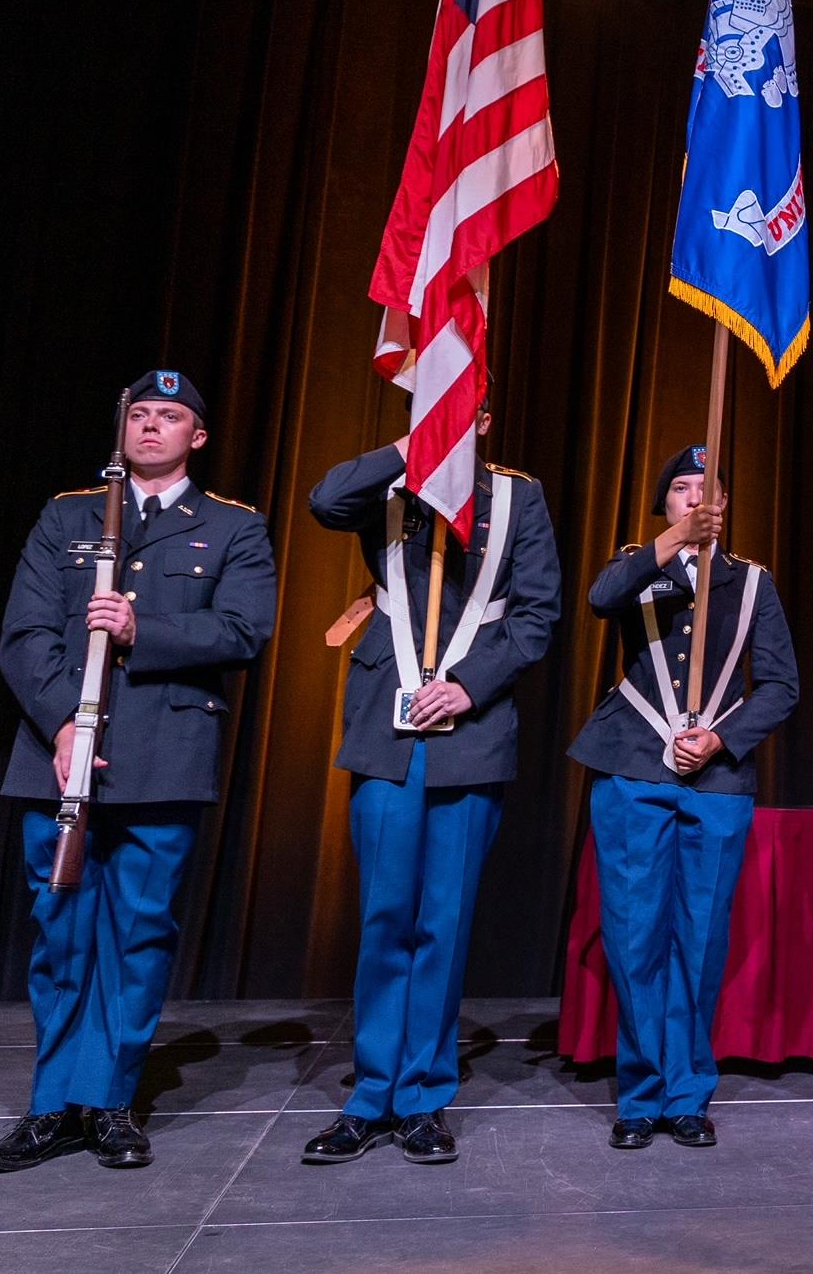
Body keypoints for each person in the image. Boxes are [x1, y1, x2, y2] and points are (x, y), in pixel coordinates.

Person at [0, 370, 277, 1174]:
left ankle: (107, 1099)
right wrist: (62, 723)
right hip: (61, 757)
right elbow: (25, 632)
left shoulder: (231, 527)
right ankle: (50, 1107)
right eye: (139, 414)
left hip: (164, 756)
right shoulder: (68, 515)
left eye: (169, 416)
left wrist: (148, 625)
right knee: (60, 934)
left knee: (138, 933)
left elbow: (246, 629)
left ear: (197, 436)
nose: (150, 427)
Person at [299, 412, 561, 1167]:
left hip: (470, 732)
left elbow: (537, 616)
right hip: (386, 729)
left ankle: (421, 1096)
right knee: (385, 915)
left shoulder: (518, 498)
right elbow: (324, 501)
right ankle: (369, 1095)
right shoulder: (388, 482)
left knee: (442, 924)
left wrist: (470, 687)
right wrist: (411, 447)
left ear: (484, 415)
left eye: (458, 403)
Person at [576, 445, 800, 1151]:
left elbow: (781, 687)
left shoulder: (754, 583)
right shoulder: (638, 565)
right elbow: (599, 600)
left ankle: (687, 1093)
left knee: (700, 940)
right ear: (665, 504)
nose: (696, 498)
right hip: (633, 768)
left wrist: (722, 740)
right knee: (635, 933)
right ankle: (640, 1096)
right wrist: (673, 544)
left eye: (708, 489)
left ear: (726, 505)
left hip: (716, 780)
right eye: (681, 488)